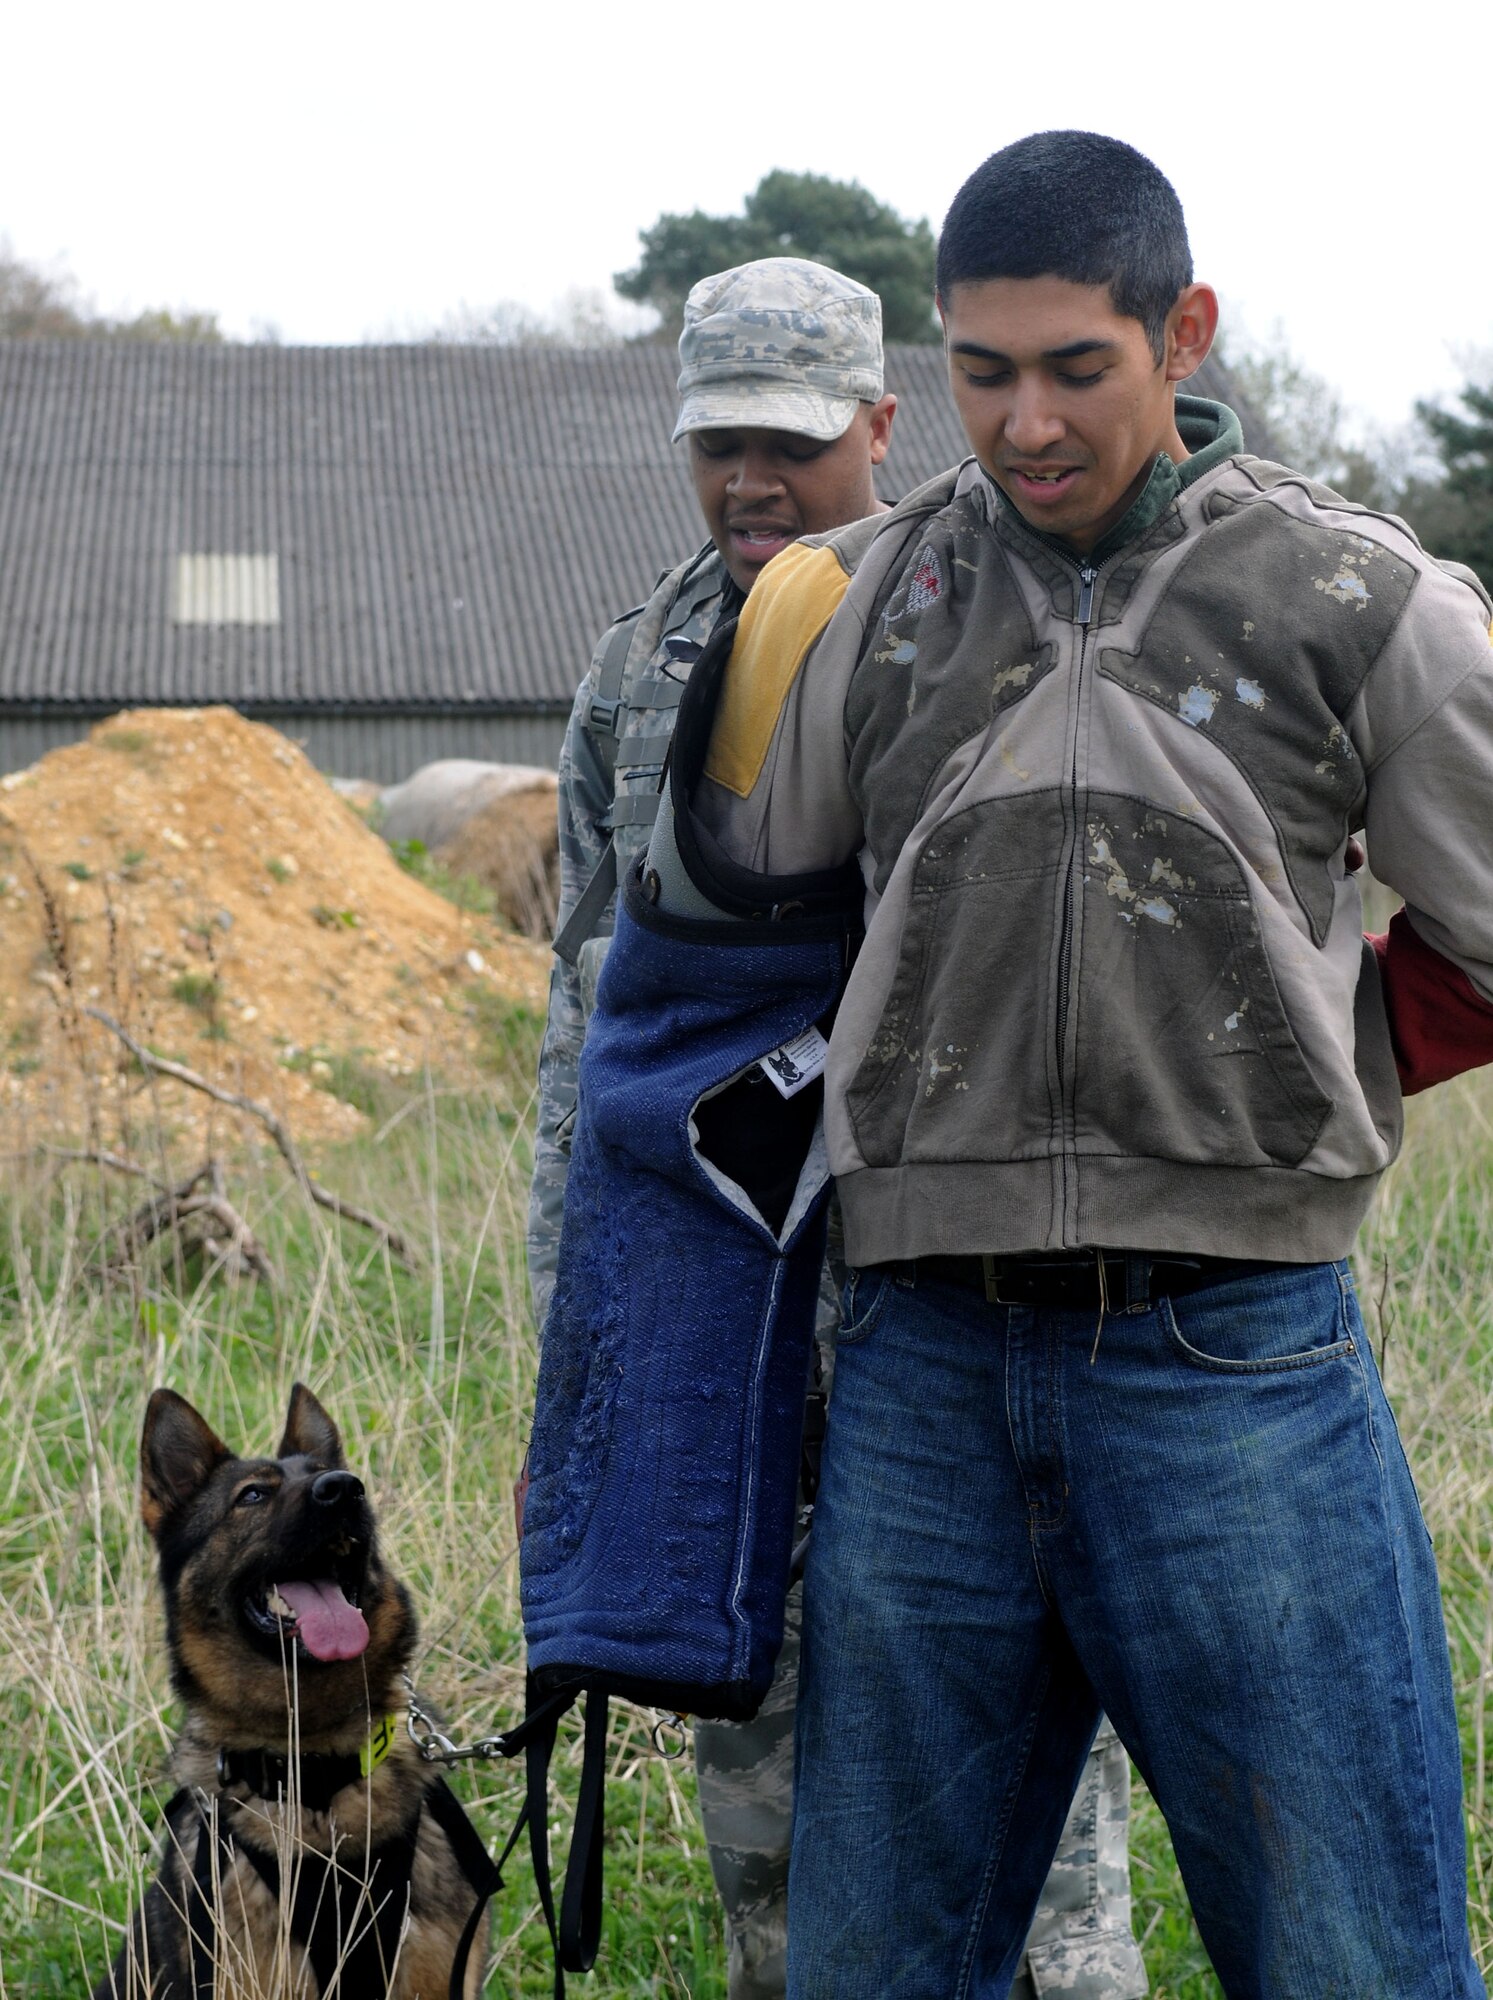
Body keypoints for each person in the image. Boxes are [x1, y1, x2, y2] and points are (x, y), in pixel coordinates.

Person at [606, 133, 1493, 1996]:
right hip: (920, 1369)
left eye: (1073, 368)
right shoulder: (852, 605)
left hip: (1232, 1373)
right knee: (872, 1971)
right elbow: (736, 978)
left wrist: (1300, 1063)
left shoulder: (1365, 604)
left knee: (1353, 1963)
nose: (1021, 424)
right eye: (979, 371)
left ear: (1181, 331)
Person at [527, 256, 1147, 2000]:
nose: (749, 481)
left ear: (884, 422)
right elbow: (591, 1039)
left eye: (791, 443)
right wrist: (582, 1338)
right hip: (741, 1343)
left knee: (1040, 1883)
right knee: (784, 1862)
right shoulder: (639, 675)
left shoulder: (1009, 611)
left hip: (971, 1322)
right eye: (716, 441)